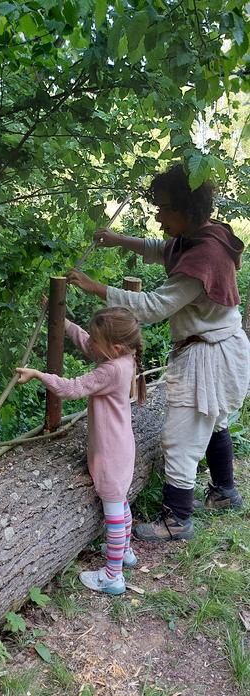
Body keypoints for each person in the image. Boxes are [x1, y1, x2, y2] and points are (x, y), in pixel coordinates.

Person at [66, 162, 250, 543]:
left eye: (164, 208)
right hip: (219, 348)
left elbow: (152, 307)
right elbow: (164, 249)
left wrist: (96, 288)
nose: (158, 216)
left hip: (209, 357)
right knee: (215, 421)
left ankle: (177, 519)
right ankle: (224, 492)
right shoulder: (202, 236)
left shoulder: (203, 258)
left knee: (179, 438)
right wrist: (119, 240)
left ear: (185, 210)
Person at [16, 306, 146, 595]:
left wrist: (38, 374)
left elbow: (72, 388)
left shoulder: (110, 370)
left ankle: (113, 576)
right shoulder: (125, 358)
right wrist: (64, 322)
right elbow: (87, 343)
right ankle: (125, 551)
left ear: (114, 347)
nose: (91, 345)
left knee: (113, 512)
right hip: (122, 446)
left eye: (96, 341)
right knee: (121, 502)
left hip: (110, 453)